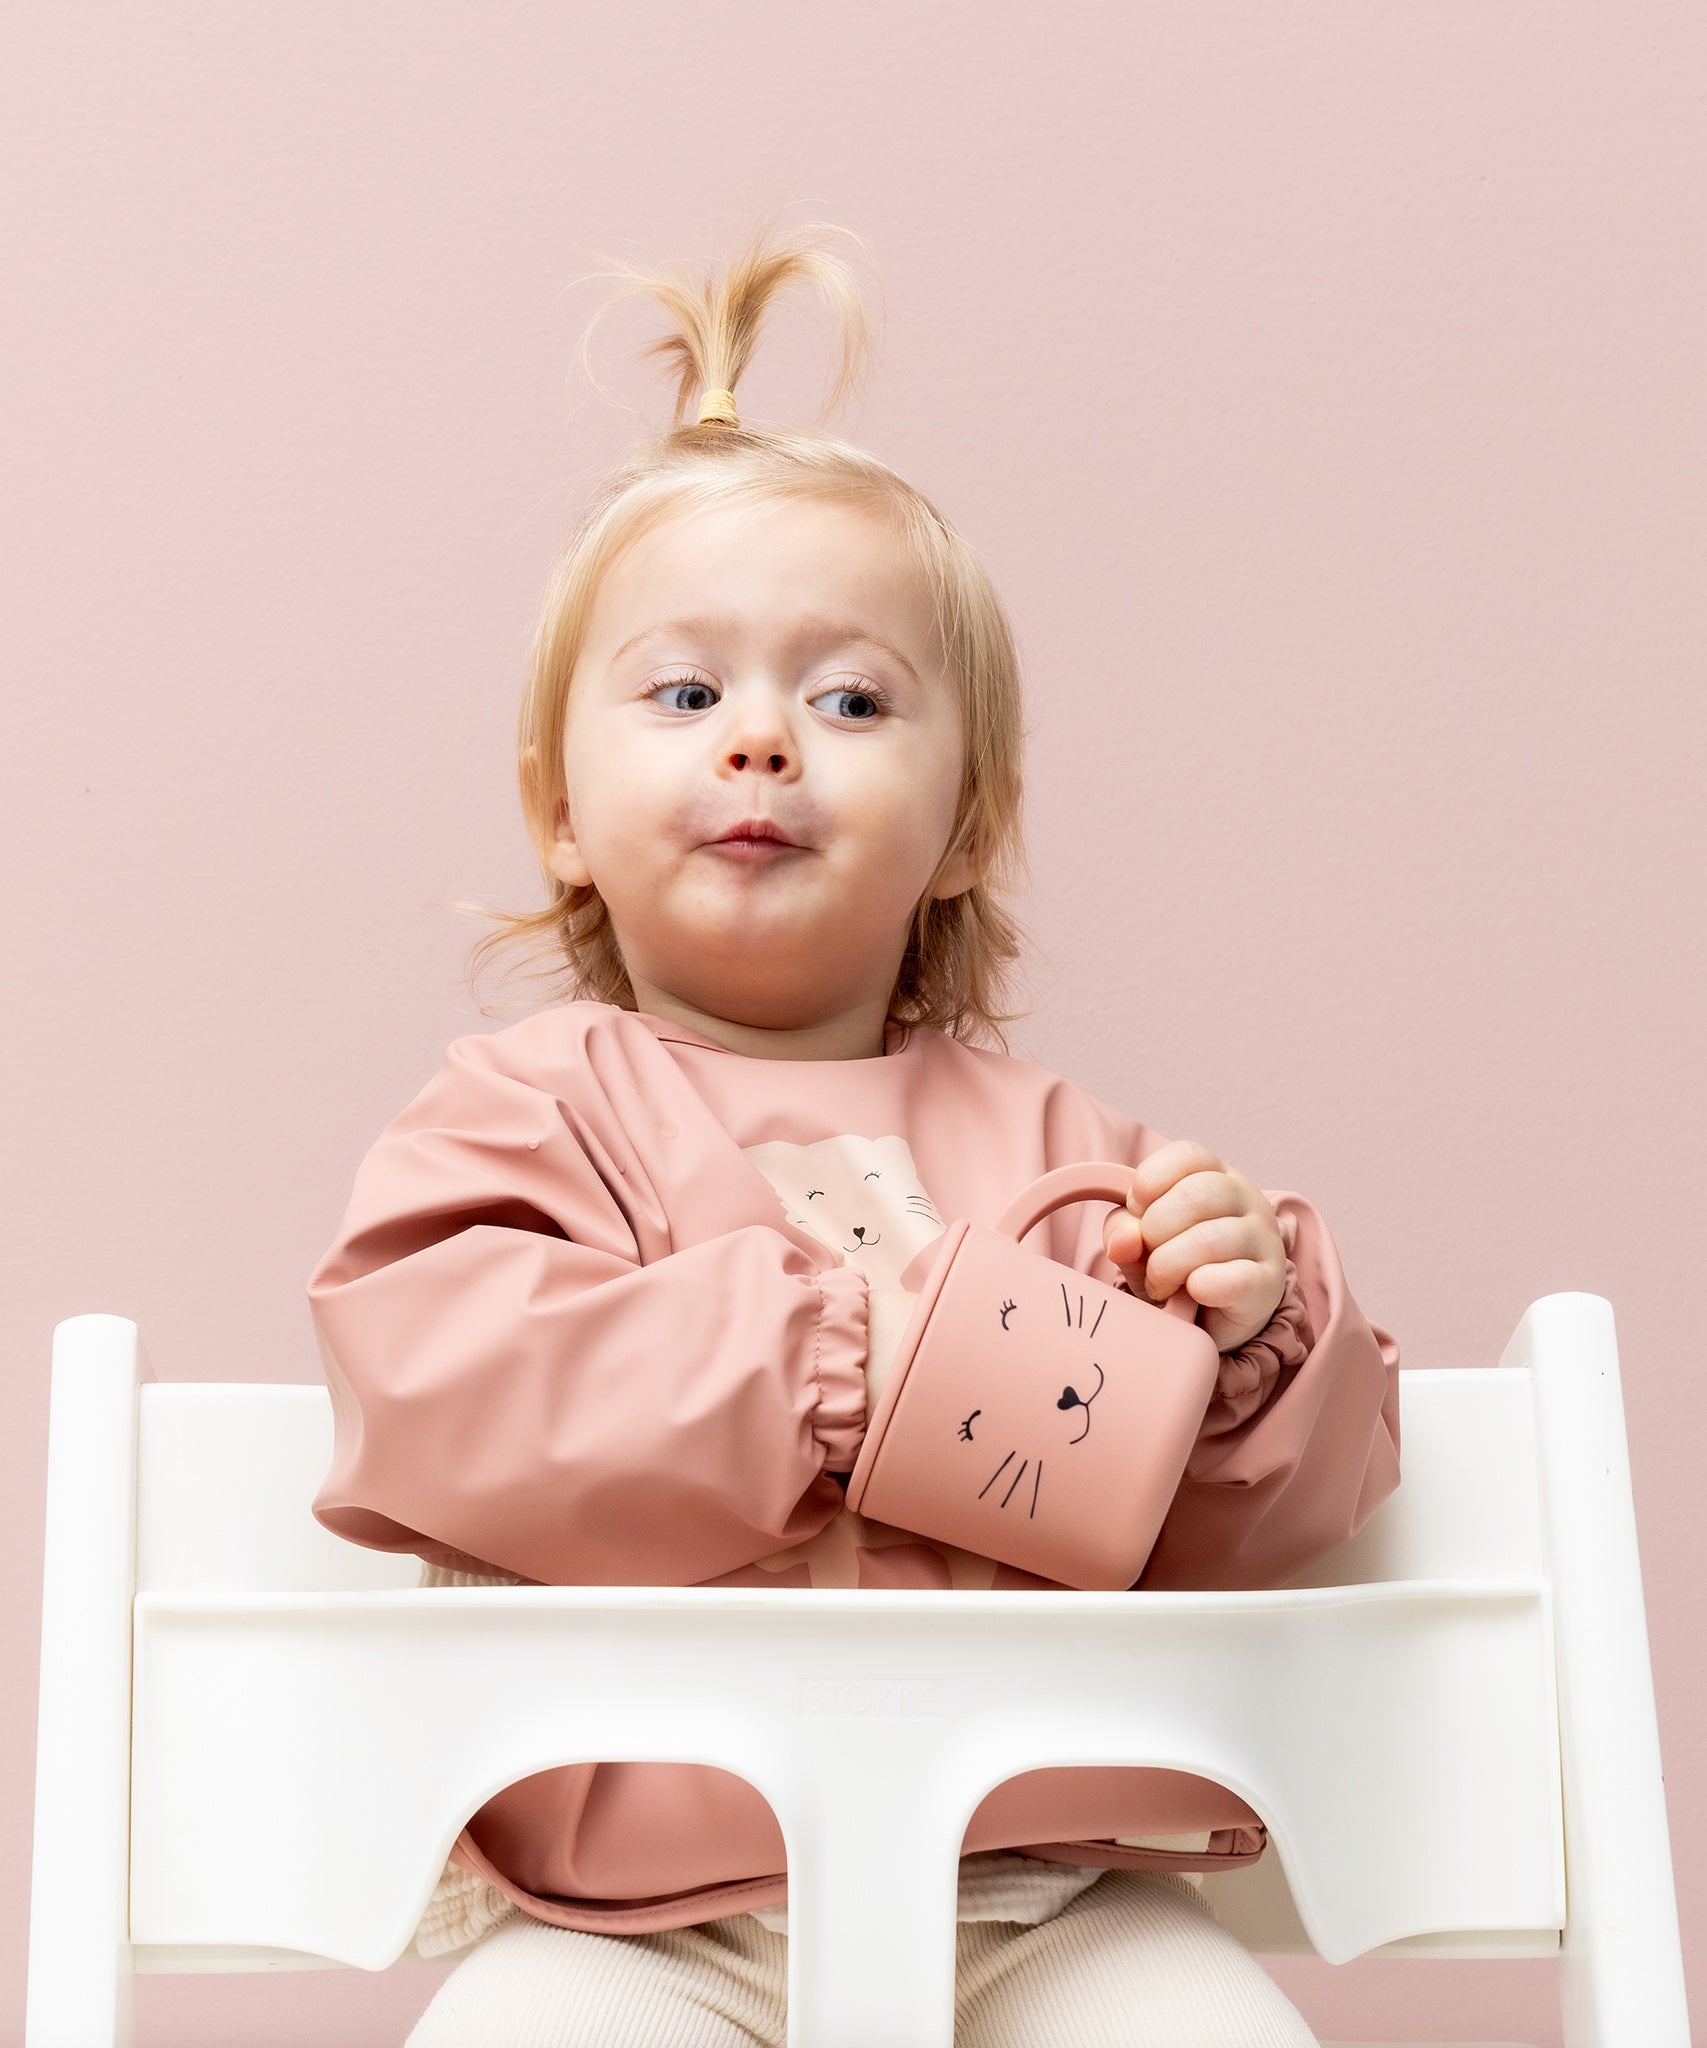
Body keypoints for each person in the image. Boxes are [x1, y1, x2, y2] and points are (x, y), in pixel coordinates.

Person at [305, 215, 1400, 2046]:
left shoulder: (1067, 1145)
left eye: (850, 698)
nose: (761, 741)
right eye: (684, 692)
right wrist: (846, 1364)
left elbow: (1254, 1516)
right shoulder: (525, 1110)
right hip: (645, 1915)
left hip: (1036, 1891)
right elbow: (440, 1380)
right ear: (556, 809)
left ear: (967, 827)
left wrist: (1248, 1343)